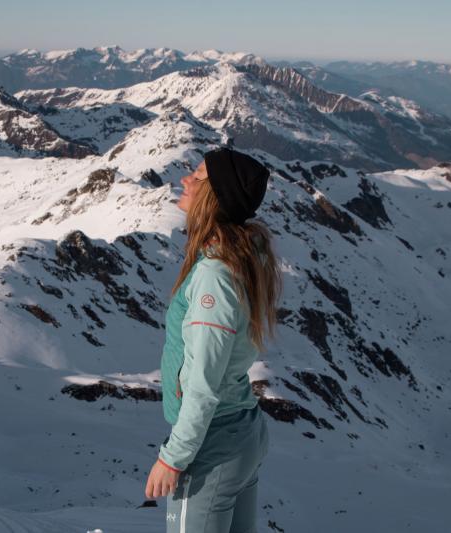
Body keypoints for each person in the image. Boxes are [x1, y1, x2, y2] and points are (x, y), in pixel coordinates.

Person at [144, 147, 282, 532]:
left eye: (198, 175)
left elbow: (203, 381)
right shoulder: (241, 257)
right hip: (240, 431)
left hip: (214, 444)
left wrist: (173, 458)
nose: (186, 179)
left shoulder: (215, 276)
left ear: (216, 195)